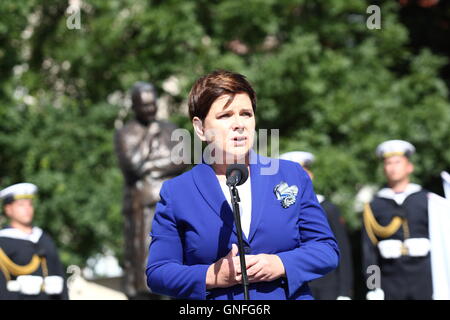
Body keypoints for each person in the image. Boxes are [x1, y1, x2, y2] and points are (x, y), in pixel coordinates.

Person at [146, 70, 339, 300]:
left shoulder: (291, 175)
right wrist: (212, 276)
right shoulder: (177, 192)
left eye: (246, 114)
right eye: (225, 115)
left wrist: (280, 263)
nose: (239, 124)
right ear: (200, 129)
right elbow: (158, 272)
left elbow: (326, 250)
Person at [114, 81, 187, 299]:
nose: (150, 109)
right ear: (134, 107)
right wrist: (149, 136)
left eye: (152, 104)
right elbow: (133, 165)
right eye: (144, 106)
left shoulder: (172, 129)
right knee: (145, 264)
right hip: (143, 207)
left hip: (173, 203)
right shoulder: (125, 133)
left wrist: (150, 167)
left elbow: (181, 160)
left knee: (178, 262)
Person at [362, 140, 434, 300]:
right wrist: (373, 287)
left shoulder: (427, 200)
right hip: (390, 281)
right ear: (384, 168)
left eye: (398, 162)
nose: (393, 167)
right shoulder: (374, 205)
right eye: (388, 163)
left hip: (425, 279)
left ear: (409, 167)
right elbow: (370, 252)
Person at [280, 151, 353, 300]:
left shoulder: (328, 208)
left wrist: (345, 291)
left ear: (310, 175)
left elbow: (342, 251)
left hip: (327, 285)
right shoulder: (280, 209)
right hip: (294, 284)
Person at [0, 183, 68, 300]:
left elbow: (59, 274)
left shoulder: (44, 238)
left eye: (30, 205)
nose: (27, 209)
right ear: (8, 209)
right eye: (21, 205)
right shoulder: (3, 242)